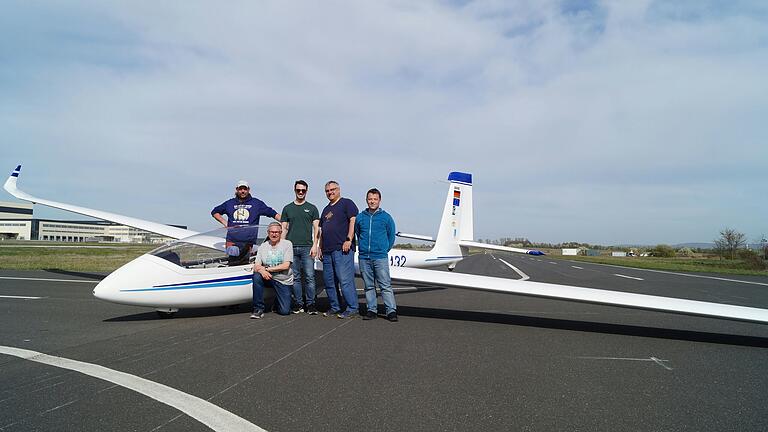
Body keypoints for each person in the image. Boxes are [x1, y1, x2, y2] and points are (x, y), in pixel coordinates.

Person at [211, 180, 280, 265]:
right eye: (240, 189)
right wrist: (224, 222)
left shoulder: (256, 203)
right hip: (232, 241)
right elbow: (214, 212)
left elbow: (272, 213)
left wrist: (285, 221)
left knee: (245, 264)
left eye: (245, 189)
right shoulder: (230, 203)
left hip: (248, 242)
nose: (243, 191)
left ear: (248, 190)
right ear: (237, 190)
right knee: (233, 260)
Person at [318, 180, 359, 319]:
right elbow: (322, 230)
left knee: (345, 279)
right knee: (329, 280)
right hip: (327, 250)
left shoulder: (347, 203)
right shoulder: (325, 209)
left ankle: (352, 307)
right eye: (327, 191)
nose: (330, 192)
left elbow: (353, 221)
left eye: (333, 189)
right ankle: (335, 306)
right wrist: (320, 247)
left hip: (342, 248)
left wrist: (349, 239)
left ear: (339, 189)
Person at [355, 188, 398, 322]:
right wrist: (363, 249)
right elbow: (358, 233)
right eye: (370, 199)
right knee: (368, 285)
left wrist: (383, 249)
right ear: (366, 200)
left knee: (385, 285)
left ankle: (391, 311)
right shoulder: (360, 217)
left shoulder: (386, 217)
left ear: (379, 200)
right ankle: (371, 310)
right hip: (364, 257)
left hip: (380, 257)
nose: (372, 201)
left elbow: (391, 236)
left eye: (375, 199)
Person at [281, 180, 320, 315]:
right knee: (296, 277)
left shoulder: (312, 208)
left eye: (303, 190)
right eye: (298, 190)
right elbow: (284, 228)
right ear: (295, 190)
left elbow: (316, 228)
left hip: (307, 247)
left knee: (310, 276)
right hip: (291, 247)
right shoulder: (287, 208)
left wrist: (315, 245)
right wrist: (282, 246)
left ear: (306, 191)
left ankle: (311, 304)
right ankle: (299, 304)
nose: (301, 192)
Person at [251, 222, 293, 318]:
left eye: (277, 232)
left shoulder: (287, 244)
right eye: (272, 232)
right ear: (268, 233)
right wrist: (262, 271)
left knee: (284, 311)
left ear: (281, 233)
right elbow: (256, 265)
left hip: (283, 279)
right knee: (256, 276)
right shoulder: (263, 246)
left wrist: (267, 269)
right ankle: (258, 309)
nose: (274, 234)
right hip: (268, 277)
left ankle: (277, 301)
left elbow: (286, 265)